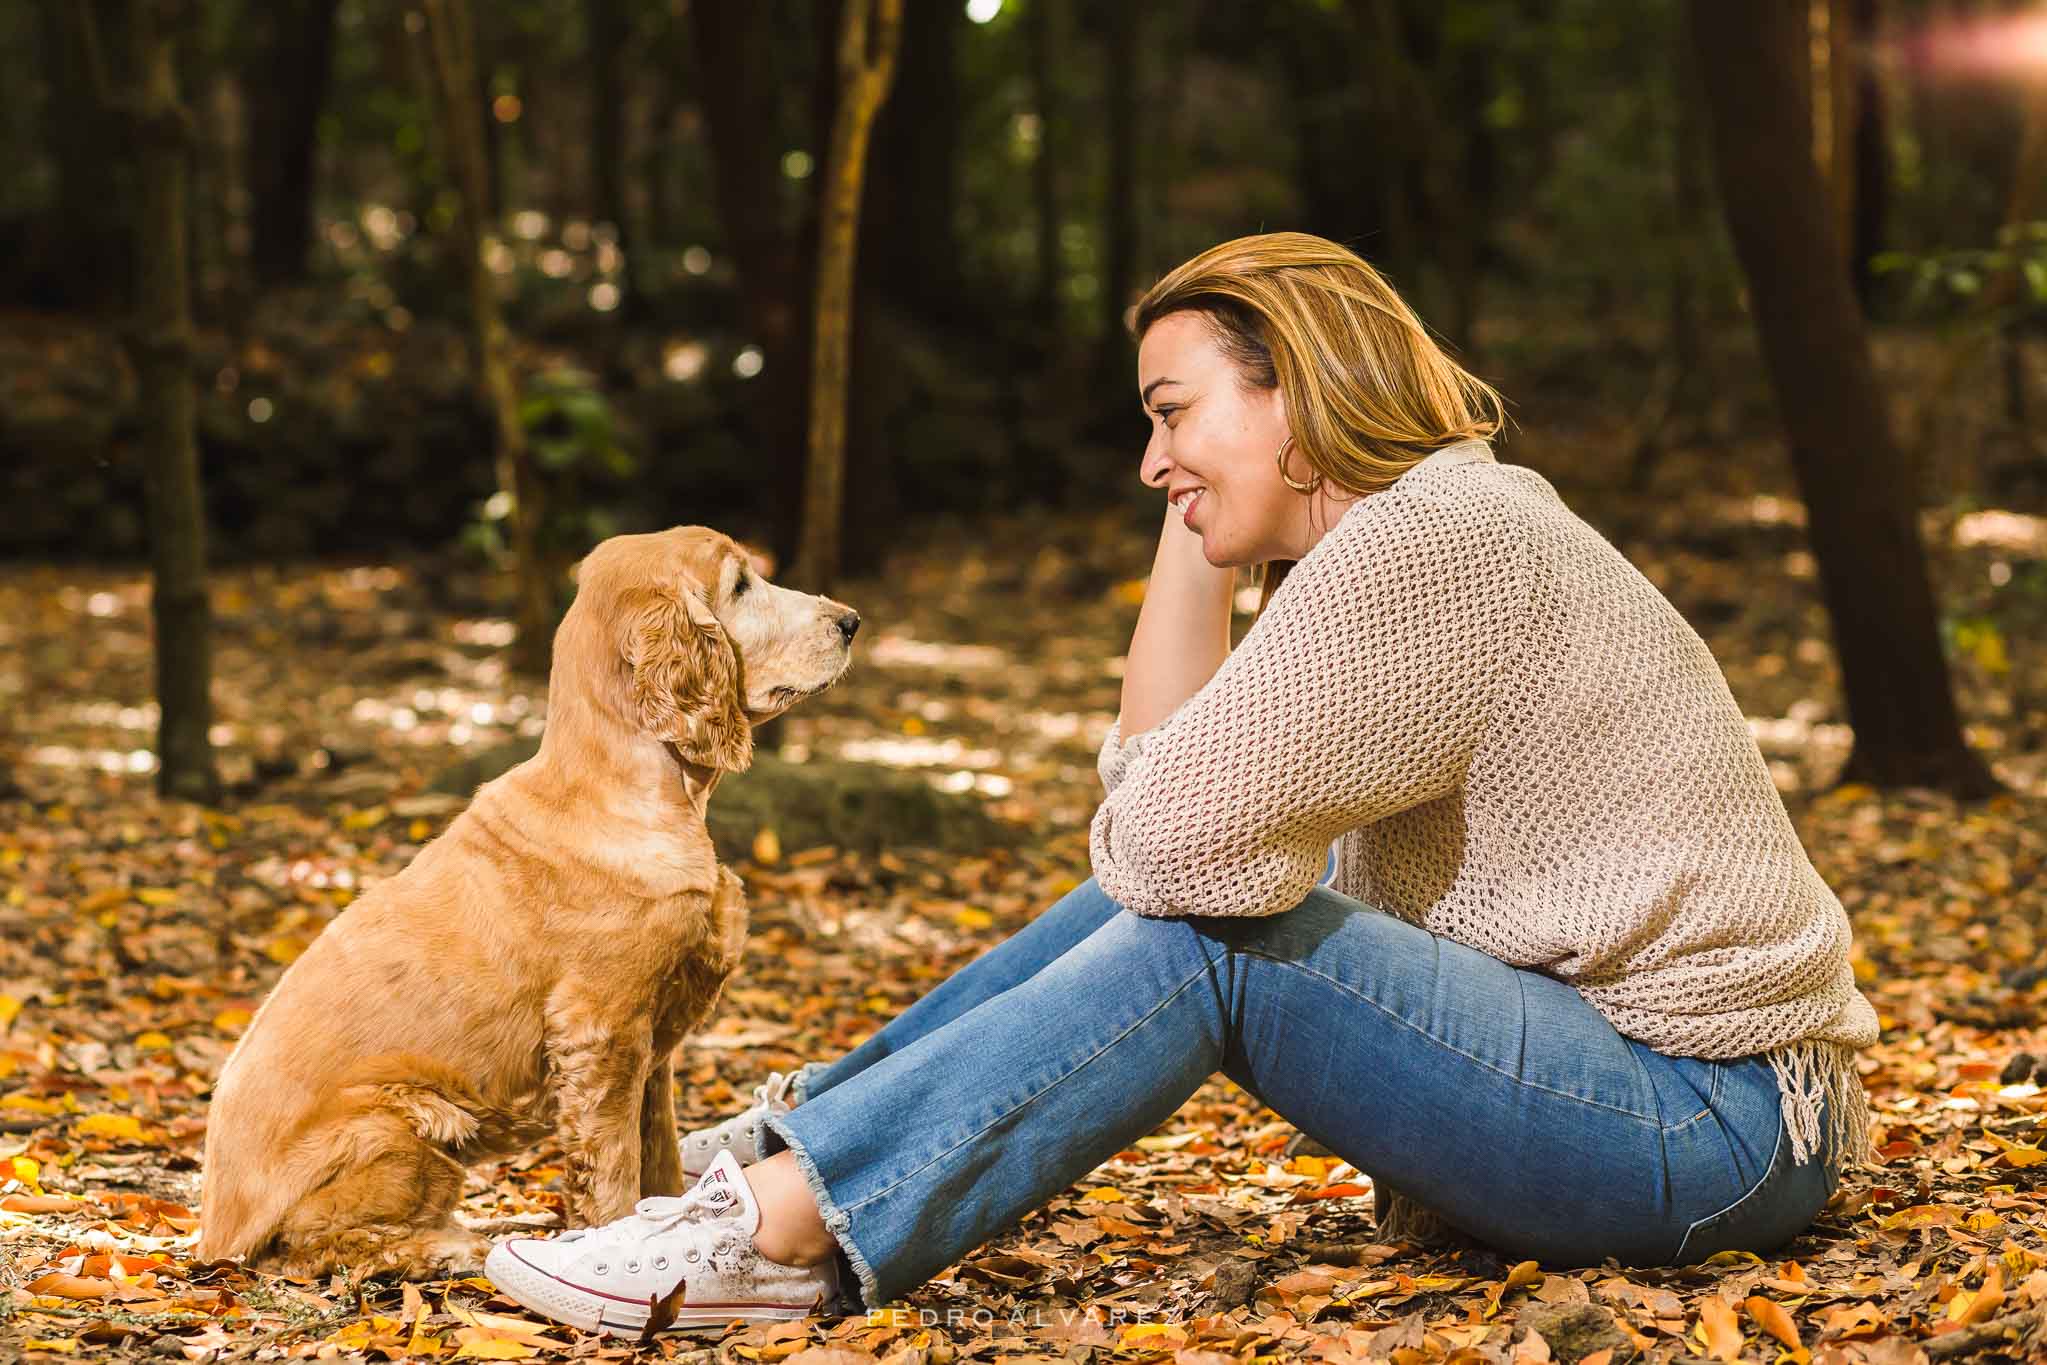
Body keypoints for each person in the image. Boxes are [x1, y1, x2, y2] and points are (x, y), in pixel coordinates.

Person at [485, 232, 1879, 1336]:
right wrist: (1201, 513)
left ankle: (783, 1224)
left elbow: (1162, 846)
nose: (1153, 462)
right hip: (1679, 1102)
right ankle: (784, 1151)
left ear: (1299, 383)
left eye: (1173, 414)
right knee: (1187, 902)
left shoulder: (1439, 544)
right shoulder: (1430, 527)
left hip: (1715, 1121)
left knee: (1210, 942)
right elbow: (1157, 824)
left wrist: (1213, 530)